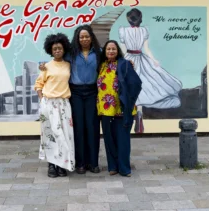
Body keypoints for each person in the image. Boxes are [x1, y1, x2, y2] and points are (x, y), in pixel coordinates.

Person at [40, 25, 102, 174]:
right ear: (77, 38)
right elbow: (56, 61)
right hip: (76, 93)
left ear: (91, 37)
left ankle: (93, 163)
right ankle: (80, 163)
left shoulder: (99, 53)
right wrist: (41, 65)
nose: (84, 39)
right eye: (81, 37)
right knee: (78, 128)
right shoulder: (71, 54)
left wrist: (128, 63)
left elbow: (115, 58)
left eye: (87, 36)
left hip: (93, 92)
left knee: (92, 127)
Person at [118, 8, 183, 133]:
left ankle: (132, 112)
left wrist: (121, 62)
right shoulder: (144, 30)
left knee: (128, 85)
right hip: (141, 59)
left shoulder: (123, 31)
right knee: (143, 85)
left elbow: (123, 50)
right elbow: (146, 49)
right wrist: (154, 60)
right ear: (140, 19)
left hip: (128, 59)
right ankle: (139, 113)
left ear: (128, 20)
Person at [97, 40, 142, 177]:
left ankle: (124, 168)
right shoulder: (101, 66)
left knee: (123, 139)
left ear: (118, 51)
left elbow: (136, 83)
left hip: (121, 108)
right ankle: (112, 166)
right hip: (105, 109)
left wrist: (128, 100)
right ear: (104, 51)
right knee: (109, 139)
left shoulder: (125, 64)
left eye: (114, 49)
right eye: (108, 49)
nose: (111, 51)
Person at [35, 33, 75, 178]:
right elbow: (38, 84)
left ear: (64, 49)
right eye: (54, 49)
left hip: (64, 104)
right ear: (50, 51)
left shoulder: (69, 65)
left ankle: (62, 164)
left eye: (59, 48)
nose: (57, 51)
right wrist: (42, 100)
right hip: (49, 104)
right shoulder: (45, 66)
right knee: (50, 135)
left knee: (64, 134)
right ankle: (51, 165)